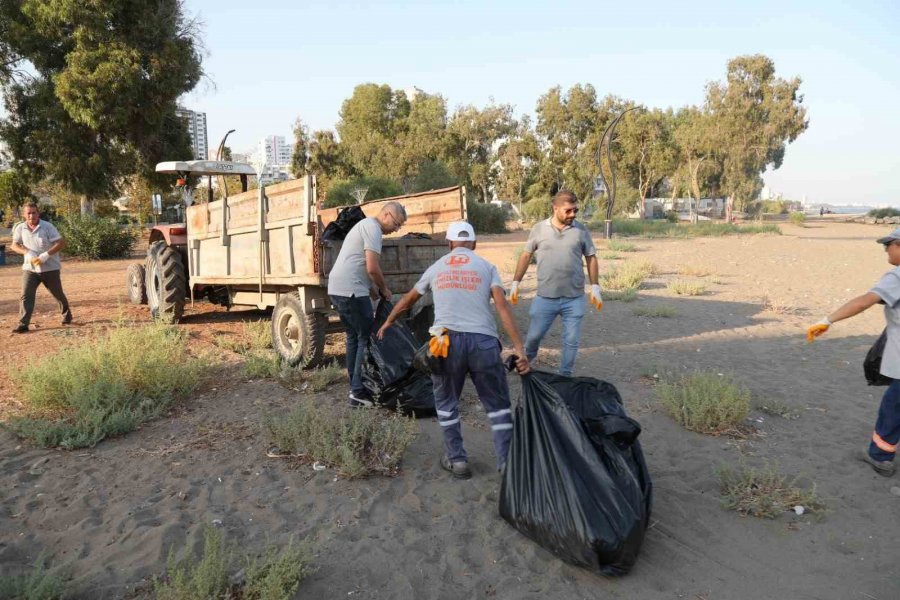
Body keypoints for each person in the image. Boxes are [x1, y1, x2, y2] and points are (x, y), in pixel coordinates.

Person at [377, 221, 530, 479]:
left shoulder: (436, 268)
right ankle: (506, 463)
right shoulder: (487, 267)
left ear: (448, 244)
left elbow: (408, 300)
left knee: (447, 402)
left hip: (445, 344)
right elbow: (502, 307)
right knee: (497, 404)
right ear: (474, 244)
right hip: (483, 343)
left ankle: (457, 460)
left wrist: (389, 321)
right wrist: (519, 348)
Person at [807, 226, 900, 477]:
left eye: (888, 245)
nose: (885, 250)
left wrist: (827, 320)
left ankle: (880, 457)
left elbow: (863, 302)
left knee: (893, 408)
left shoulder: (897, 277)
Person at [509, 190, 602, 376]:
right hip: (545, 298)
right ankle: (524, 365)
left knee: (571, 340)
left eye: (575, 210)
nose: (573, 214)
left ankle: (565, 374)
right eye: (568, 211)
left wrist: (595, 286)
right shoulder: (539, 229)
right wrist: (515, 282)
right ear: (555, 208)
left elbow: (591, 257)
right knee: (534, 337)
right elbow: (526, 254)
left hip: (574, 298)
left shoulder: (581, 230)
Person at [328, 201, 407, 408]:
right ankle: (358, 392)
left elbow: (357, 263)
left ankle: (355, 382)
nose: (396, 229)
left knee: (354, 336)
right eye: (397, 224)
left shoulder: (364, 226)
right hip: (351, 290)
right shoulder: (373, 229)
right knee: (366, 337)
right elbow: (372, 267)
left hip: (338, 288)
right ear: (387, 214)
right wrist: (383, 289)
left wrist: (371, 290)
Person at [9, 202, 72, 333]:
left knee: (57, 294)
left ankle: (66, 314)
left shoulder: (47, 226)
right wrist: (27, 252)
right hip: (30, 269)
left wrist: (45, 255)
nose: (31, 215)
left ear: (38, 213)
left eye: (34, 212)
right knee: (26, 295)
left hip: (50, 268)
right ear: (24, 215)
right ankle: (23, 324)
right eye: (28, 213)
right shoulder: (20, 228)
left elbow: (61, 243)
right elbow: (14, 245)